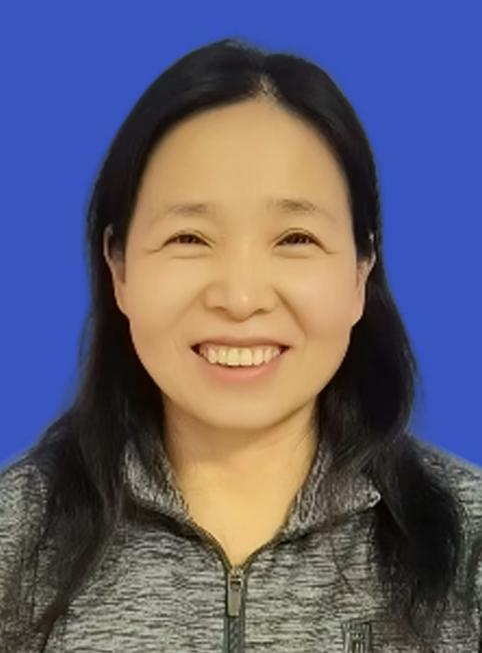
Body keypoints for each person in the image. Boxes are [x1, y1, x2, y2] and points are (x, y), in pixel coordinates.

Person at [1, 36, 481, 652]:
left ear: (361, 269)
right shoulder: (14, 543)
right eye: (190, 239)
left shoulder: (468, 547)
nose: (241, 296)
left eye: (296, 239)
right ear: (118, 267)